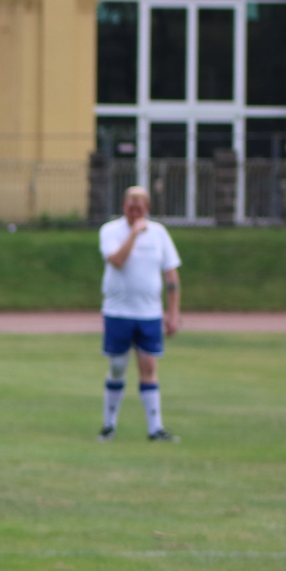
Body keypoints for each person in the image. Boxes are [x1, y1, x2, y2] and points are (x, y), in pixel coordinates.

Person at [96, 185, 182, 442]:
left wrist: (173, 312)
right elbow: (117, 260)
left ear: (148, 209)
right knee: (118, 366)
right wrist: (134, 233)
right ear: (123, 207)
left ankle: (155, 428)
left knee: (149, 366)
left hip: (149, 312)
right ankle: (109, 425)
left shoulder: (159, 233)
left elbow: (171, 275)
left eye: (139, 209)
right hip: (118, 311)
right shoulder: (110, 231)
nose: (134, 213)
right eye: (130, 208)